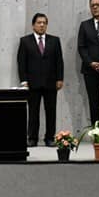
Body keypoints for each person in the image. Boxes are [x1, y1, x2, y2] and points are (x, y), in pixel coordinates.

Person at [17, 13, 64, 147]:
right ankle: (32, 138)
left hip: (51, 82)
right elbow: (21, 62)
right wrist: (24, 81)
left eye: (44, 22)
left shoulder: (54, 41)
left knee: (51, 112)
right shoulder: (25, 41)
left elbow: (59, 61)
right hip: (32, 83)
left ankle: (49, 138)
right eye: (39, 22)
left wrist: (60, 78)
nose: (42, 25)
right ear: (33, 25)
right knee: (33, 112)